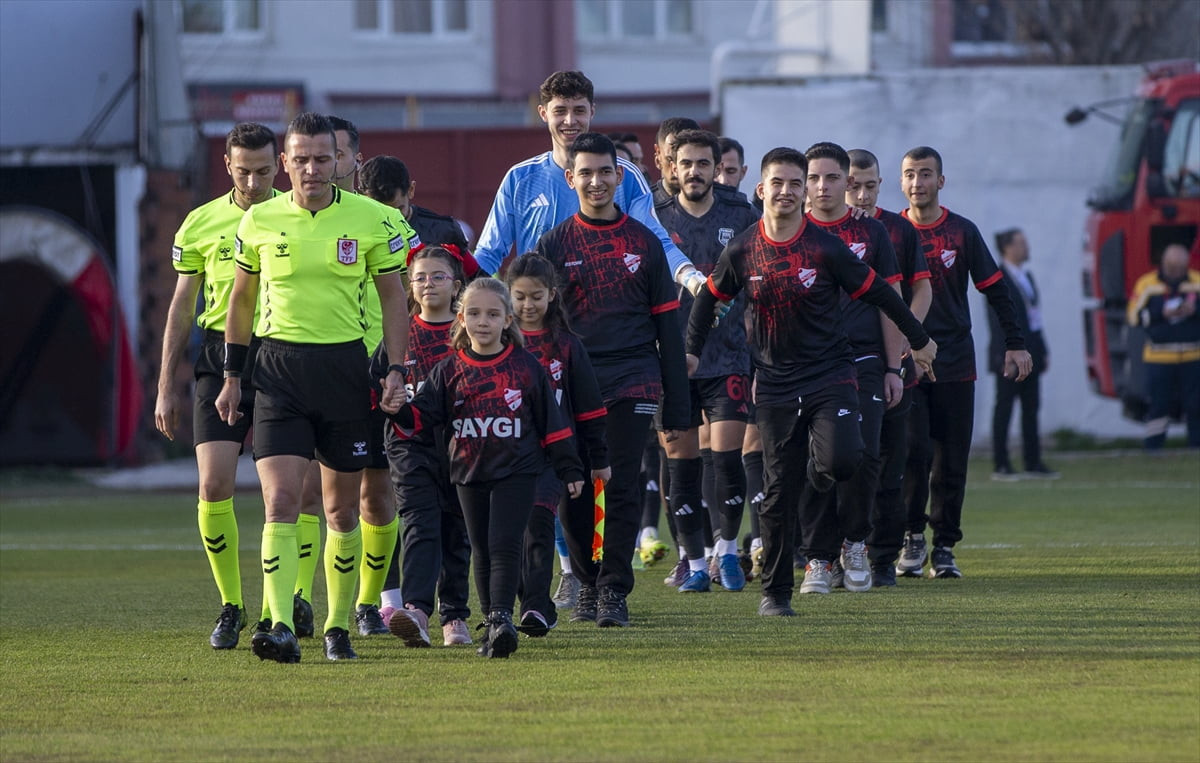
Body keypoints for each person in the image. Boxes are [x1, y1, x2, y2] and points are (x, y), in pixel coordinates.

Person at [685, 147, 937, 617]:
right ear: (762, 189)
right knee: (779, 494)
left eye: (795, 185)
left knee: (845, 459)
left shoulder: (825, 248)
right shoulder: (742, 249)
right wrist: (691, 352)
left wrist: (919, 342)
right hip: (776, 385)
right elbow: (709, 301)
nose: (786, 191)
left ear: (804, 194)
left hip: (832, 376)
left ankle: (837, 517)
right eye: (777, 183)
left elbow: (880, 290)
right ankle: (776, 595)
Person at [216, 112, 414, 663]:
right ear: (286, 162)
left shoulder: (372, 219)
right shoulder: (259, 221)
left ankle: (337, 626)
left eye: (321, 158)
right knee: (278, 500)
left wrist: (397, 368)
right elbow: (240, 301)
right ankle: (278, 624)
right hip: (278, 372)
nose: (310, 168)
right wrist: (233, 376)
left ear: (339, 160)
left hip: (346, 372)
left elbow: (395, 298)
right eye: (300, 159)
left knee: (340, 513)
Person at [533, 132, 690, 628]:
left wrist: (678, 405)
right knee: (575, 486)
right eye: (587, 172)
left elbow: (668, 324)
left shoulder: (644, 243)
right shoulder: (554, 244)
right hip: (572, 383)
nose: (597, 181)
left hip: (634, 379)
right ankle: (585, 580)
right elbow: (539, 326)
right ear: (570, 178)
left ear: (620, 177)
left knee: (620, 483)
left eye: (606, 172)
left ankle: (613, 590)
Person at [381, 278, 585, 658]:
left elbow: (552, 422)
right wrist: (397, 409)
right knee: (481, 549)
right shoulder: (448, 370)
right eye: (474, 313)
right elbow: (422, 417)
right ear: (461, 319)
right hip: (468, 472)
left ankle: (499, 618)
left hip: (517, 470)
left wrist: (570, 469)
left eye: (493, 314)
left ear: (508, 320)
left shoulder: (526, 368)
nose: (483, 322)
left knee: (505, 545)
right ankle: (494, 619)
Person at [155, 122, 280, 649]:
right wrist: (166, 385)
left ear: (280, 166)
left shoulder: (293, 216)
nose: (252, 182)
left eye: (263, 170)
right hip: (215, 357)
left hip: (281, 352)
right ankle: (232, 605)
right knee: (213, 485)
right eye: (243, 170)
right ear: (227, 165)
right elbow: (182, 305)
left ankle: (281, 608)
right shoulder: (200, 223)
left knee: (288, 497)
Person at [896, 146, 1031, 580]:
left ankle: (946, 546)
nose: (918, 182)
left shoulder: (962, 232)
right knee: (912, 455)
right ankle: (912, 538)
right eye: (910, 174)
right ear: (901, 182)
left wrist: (1015, 343)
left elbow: (996, 289)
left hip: (955, 360)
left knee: (951, 460)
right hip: (906, 360)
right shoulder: (891, 232)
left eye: (926, 174)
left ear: (941, 181)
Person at [360, 158, 477, 646]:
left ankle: (456, 616)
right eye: (420, 278)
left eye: (438, 277)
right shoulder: (395, 336)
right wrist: (386, 401)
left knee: (458, 530)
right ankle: (417, 611)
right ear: (409, 286)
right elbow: (376, 385)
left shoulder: (469, 336)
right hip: (409, 445)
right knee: (420, 526)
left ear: (456, 283)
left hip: (464, 448)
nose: (429, 284)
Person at [473, 71, 706, 296]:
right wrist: (462, 290)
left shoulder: (627, 177)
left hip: (609, 317)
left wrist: (692, 278)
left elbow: (656, 241)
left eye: (579, 110)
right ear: (543, 113)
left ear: (592, 111)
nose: (570, 120)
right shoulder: (519, 179)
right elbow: (489, 252)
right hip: (541, 321)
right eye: (560, 111)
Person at [654, 128, 760, 592]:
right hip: (670, 360)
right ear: (672, 168)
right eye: (685, 164)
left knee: (727, 455)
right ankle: (694, 564)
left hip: (728, 355)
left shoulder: (740, 214)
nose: (694, 172)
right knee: (681, 461)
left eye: (703, 164)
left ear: (717, 168)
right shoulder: (654, 217)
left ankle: (727, 552)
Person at [798, 141, 905, 595]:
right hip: (802, 364)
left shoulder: (873, 234)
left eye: (832, 177)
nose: (823, 186)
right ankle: (818, 558)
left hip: (862, 359)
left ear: (848, 182)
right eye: (815, 178)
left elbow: (889, 302)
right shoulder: (788, 230)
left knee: (864, 454)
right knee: (816, 460)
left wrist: (894, 366)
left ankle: (855, 542)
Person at [506, 254, 610, 634]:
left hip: (554, 456)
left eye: (535, 297)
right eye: (519, 297)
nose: (527, 305)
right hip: (503, 455)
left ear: (551, 296)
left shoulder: (566, 346)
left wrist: (597, 457)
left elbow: (589, 406)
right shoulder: (498, 343)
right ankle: (524, 602)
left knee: (545, 525)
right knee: (507, 535)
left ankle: (544, 603)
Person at [845, 148, 932, 587]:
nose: (860, 194)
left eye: (869, 185)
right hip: (844, 365)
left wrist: (904, 343)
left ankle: (883, 559)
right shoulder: (826, 232)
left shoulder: (895, 230)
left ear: (881, 185)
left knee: (892, 463)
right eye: (853, 185)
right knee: (847, 462)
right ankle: (834, 552)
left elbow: (916, 292)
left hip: (894, 364)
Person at [989, 228, 1056, 480]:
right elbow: (997, 320)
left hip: (1032, 353)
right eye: (1021, 243)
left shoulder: (1026, 276)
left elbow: (1034, 318)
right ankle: (1001, 463)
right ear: (1008, 248)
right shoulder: (998, 278)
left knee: (1031, 407)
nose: (1026, 248)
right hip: (1009, 355)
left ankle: (1032, 460)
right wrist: (1006, 352)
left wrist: (1043, 349)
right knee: (1004, 407)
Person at [1127, 242, 1200, 449]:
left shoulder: (1197, 282)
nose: (1175, 272)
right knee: (1159, 405)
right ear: (1164, 264)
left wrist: (1193, 311)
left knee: (1196, 405)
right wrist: (1161, 313)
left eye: (1179, 267)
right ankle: (1154, 447)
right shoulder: (1147, 284)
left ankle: (1196, 446)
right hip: (1159, 357)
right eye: (1171, 267)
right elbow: (1133, 316)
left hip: (1193, 355)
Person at [650, 117, 701, 205]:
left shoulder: (728, 206)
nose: (677, 169)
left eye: (686, 162)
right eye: (670, 159)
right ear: (658, 158)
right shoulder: (641, 208)